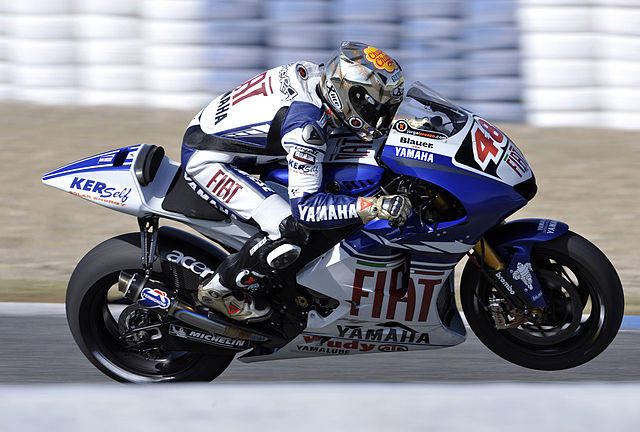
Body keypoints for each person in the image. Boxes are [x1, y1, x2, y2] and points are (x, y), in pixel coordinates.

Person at [181, 41, 411, 322]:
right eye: (377, 109)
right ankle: (220, 290)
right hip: (208, 160)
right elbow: (308, 209)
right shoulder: (305, 130)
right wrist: (371, 207)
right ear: (352, 96)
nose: (382, 118)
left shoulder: (319, 77)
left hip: (229, 133)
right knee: (289, 229)